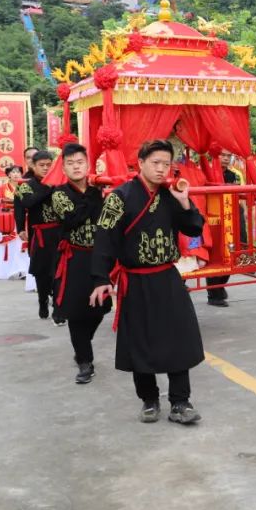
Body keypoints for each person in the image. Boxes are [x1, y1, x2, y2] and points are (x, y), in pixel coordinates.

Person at [89, 140, 207, 425]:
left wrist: (184, 203)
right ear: (140, 162)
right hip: (136, 280)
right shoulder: (119, 197)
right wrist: (101, 278)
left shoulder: (169, 195)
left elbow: (193, 228)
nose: (160, 168)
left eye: (166, 163)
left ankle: (180, 401)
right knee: (140, 341)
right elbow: (104, 238)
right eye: (155, 162)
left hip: (167, 277)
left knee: (178, 337)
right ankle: (149, 399)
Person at [50, 144, 110, 385]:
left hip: (99, 256)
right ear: (64, 168)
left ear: (88, 166)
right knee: (76, 313)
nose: (76, 166)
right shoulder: (59, 194)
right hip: (74, 257)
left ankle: (82, 344)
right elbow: (72, 219)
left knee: (99, 309)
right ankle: (85, 361)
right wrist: (92, 196)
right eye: (71, 163)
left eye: (80, 162)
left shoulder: (101, 191)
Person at [15, 151, 61, 320]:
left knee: (59, 272)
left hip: (59, 233)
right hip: (39, 235)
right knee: (42, 274)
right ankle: (43, 300)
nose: (46, 168)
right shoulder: (26, 185)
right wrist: (20, 228)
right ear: (33, 166)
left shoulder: (60, 183)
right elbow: (25, 204)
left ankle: (58, 308)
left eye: (49, 165)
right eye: (42, 165)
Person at [204, 148, 243, 308]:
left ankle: (219, 288)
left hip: (229, 219)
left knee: (228, 256)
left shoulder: (233, 175)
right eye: (223, 155)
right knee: (214, 257)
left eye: (228, 156)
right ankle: (214, 292)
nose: (226, 158)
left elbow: (238, 198)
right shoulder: (205, 173)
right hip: (211, 221)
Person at [0, 166, 30, 280]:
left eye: (18, 172)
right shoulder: (2, 188)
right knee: (9, 246)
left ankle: (22, 269)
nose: (15, 174)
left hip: (23, 220)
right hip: (8, 221)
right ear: (8, 175)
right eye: (13, 172)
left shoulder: (25, 187)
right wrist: (4, 202)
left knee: (22, 245)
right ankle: (7, 269)